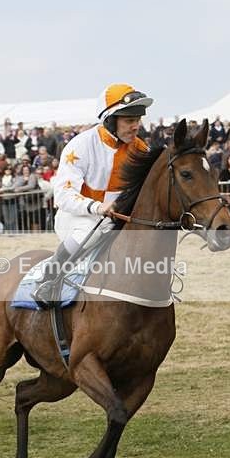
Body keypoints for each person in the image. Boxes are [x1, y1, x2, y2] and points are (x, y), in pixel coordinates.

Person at [32, 83, 153, 306]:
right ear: (110, 119)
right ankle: (49, 279)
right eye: (129, 121)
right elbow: (64, 195)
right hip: (78, 217)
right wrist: (97, 208)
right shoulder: (80, 145)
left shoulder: (141, 149)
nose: (135, 126)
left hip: (117, 218)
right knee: (92, 231)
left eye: (138, 120)